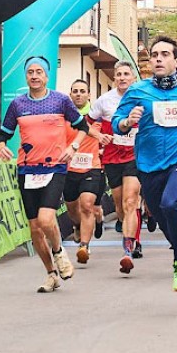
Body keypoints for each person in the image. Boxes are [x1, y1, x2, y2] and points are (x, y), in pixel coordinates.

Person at [112, 36, 177, 292]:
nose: (158, 59)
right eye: (154, 55)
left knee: (172, 203)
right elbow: (117, 120)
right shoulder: (138, 90)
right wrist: (127, 121)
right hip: (149, 164)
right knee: (161, 216)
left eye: (164, 54)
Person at [0, 57, 89, 293]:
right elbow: (2, 134)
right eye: (30, 72)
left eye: (39, 72)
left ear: (47, 76)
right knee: (35, 228)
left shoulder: (60, 101)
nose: (34, 76)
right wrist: (0, 146)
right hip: (27, 170)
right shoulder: (17, 104)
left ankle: (59, 252)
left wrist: (73, 147)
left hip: (55, 168)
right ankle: (51, 274)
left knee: (47, 219)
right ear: (26, 77)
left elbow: (83, 128)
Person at [89, 61, 144, 274]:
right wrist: (98, 136)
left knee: (131, 201)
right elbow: (85, 123)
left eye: (126, 74)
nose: (122, 78)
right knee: (121, 206)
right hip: (112, 157)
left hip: (135, 156)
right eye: (118, 74)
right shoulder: (105, 101)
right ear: (114, 78)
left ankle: (128, 250)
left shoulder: (142, 98)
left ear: (133, 78)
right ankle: (130, 235)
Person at [64, 79, 106, 264]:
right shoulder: (63, 116)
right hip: (68, 169)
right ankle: (77, 225)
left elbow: (109, 134)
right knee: (73, 209)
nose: (79, 94)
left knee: (87, 205)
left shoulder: (97, 116)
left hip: (92, 167)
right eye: (75, 91)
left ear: (89, 94)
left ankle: (84, 246)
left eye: (82, 91)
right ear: (70, 94)